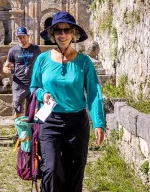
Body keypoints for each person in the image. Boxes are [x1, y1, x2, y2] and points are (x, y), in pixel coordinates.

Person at [30, 11, 105, 192]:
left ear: (74, 33)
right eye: (58, 30)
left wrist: (99, 122)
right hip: (49, 120)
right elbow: (34, 87)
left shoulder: (84, 62)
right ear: (52, 34)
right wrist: (43, 95)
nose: (62, 34)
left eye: (66, 30)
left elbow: (94, 92)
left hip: (77, 122)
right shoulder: (42, 60)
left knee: (75, 170)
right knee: (52, 169)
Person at [3, 27, 41, 119]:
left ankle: (28, 130)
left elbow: (41, 64)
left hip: (32, 83)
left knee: (31, 108)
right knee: (17, 106)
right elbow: (6, 65)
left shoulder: (36, 49)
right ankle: (19, 130)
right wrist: (6, 70)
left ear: (28, 36)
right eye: (20, 37)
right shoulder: (13, 50)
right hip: (18, 83)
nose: (22, 39)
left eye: (24, 37)